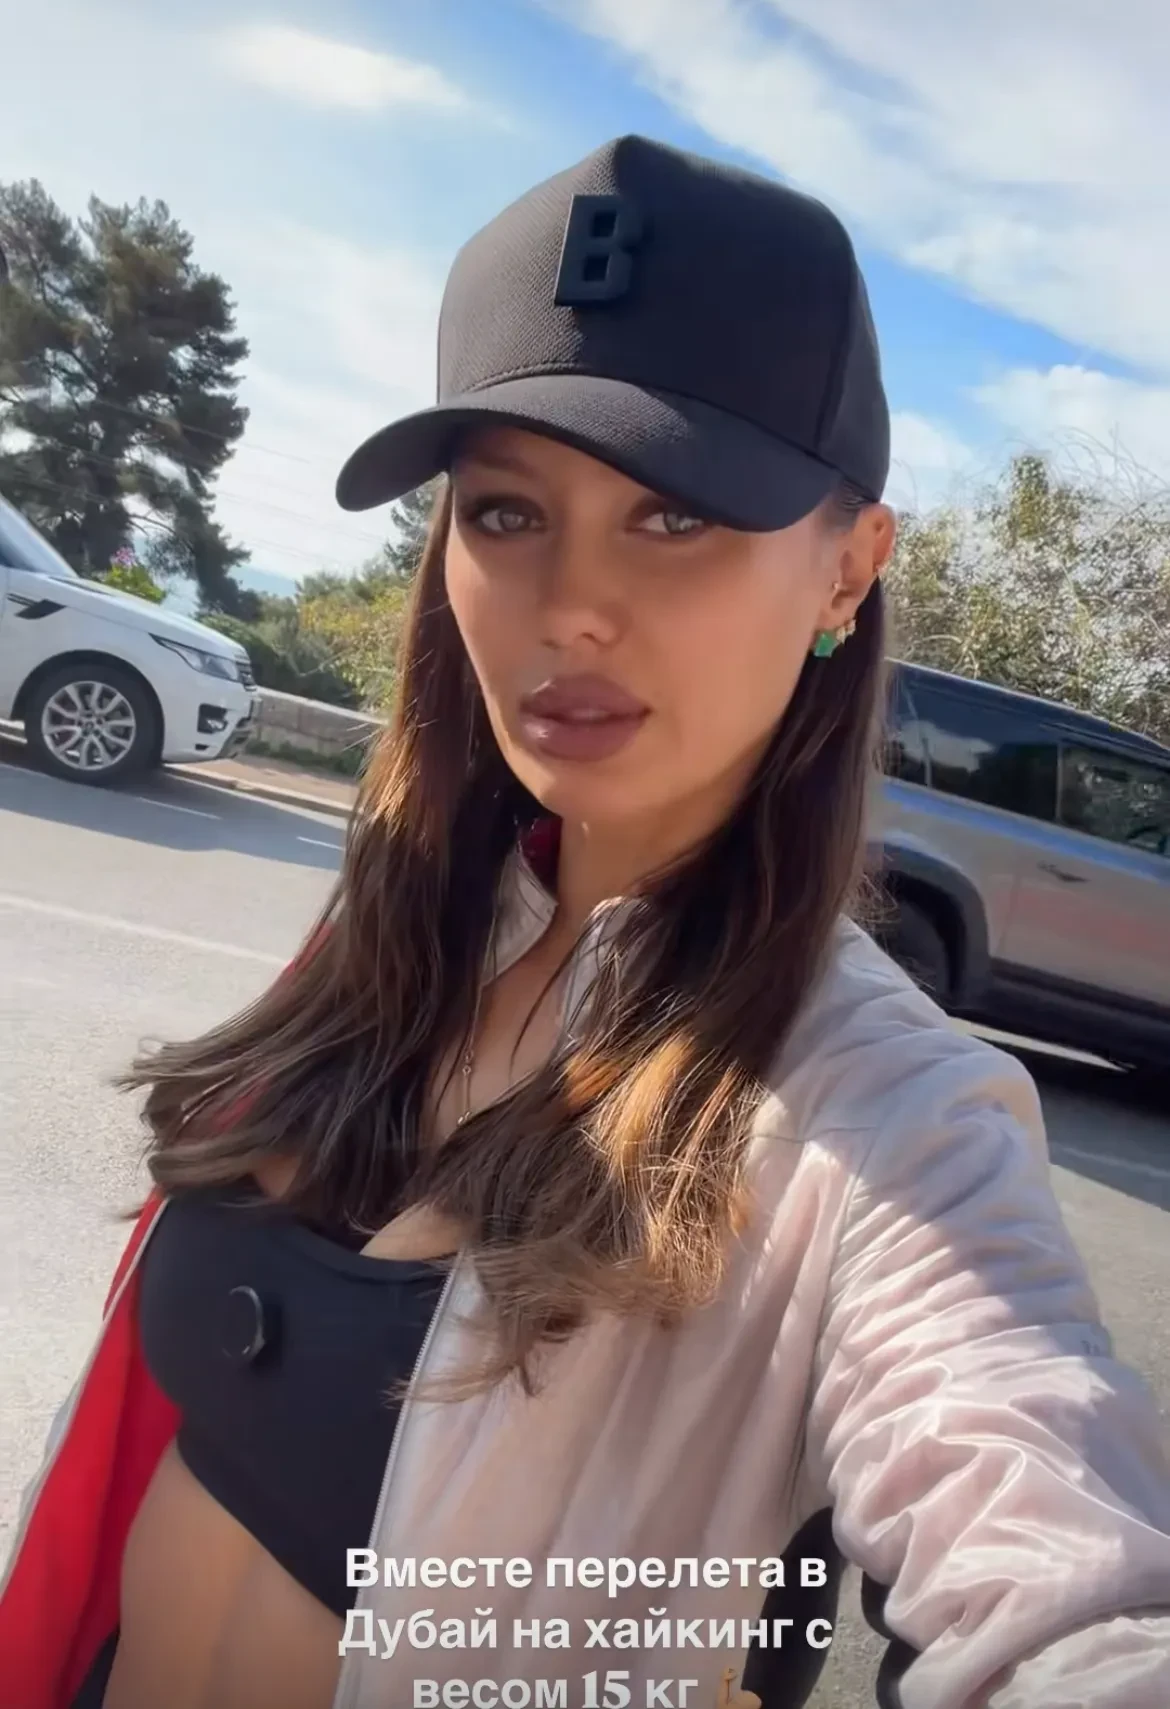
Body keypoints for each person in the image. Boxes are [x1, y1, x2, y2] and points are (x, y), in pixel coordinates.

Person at [2, 134, 1169, 1709]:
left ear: (848, 568)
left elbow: (1040, 1527)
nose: (569, 605)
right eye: (505, 513)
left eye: (672, 518)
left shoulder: (883, 1112)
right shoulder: (409, 929)